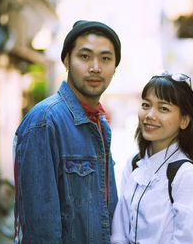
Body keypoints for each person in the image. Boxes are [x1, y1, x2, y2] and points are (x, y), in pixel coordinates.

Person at [13, 20, 121, 243]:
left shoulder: (101, 126)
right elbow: (41, 228)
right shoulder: (44, 122)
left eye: (106, 58)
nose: (95, 67)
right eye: (84, 56)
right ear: (66, 60)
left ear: (114, 68)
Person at [111, 73, 193, 244]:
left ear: (184, 121)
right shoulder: (133, 165)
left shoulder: (186, 176)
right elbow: (119, 231)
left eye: (163, 108)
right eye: (146, 105)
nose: (150, 115)